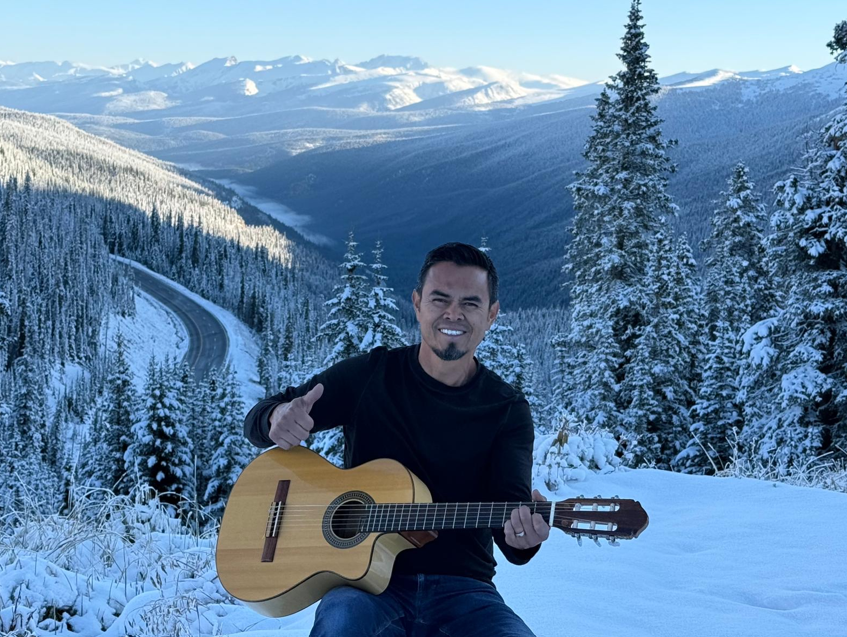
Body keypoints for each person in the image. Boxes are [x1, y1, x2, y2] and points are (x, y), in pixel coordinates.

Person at [243, 242, 550, 637]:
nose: (453, 313)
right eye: (440, 299)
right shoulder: (370, 376)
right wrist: (276, 417)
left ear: (491, 314)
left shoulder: (506, 409)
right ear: (417, 303)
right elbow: (259, 418)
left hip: (465, 593)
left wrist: (525, 538)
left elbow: (512, 530)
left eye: (470, 303)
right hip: (363, 589)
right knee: (340, 625)